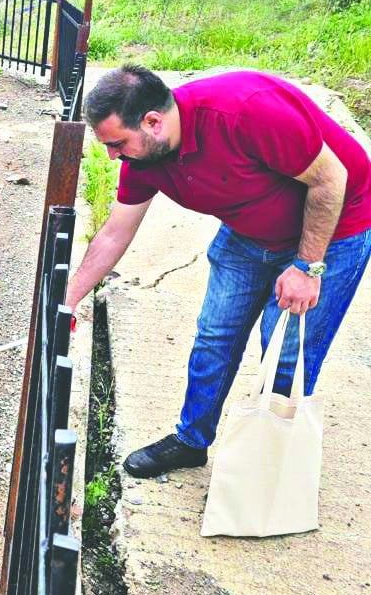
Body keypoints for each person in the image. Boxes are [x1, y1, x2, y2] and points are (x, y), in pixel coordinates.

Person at [64, 66, 371, 478]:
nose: (112, 155)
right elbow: (114, 235)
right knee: (215, 337)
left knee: (285, 354)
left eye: (117, 143)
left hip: (332, 232)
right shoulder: (144, 160)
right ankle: (191, 441)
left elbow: (332, 179)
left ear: (153, 122)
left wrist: (306, 267)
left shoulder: (244, 111)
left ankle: (269, 466)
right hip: (247, 235)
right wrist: (66, 302)